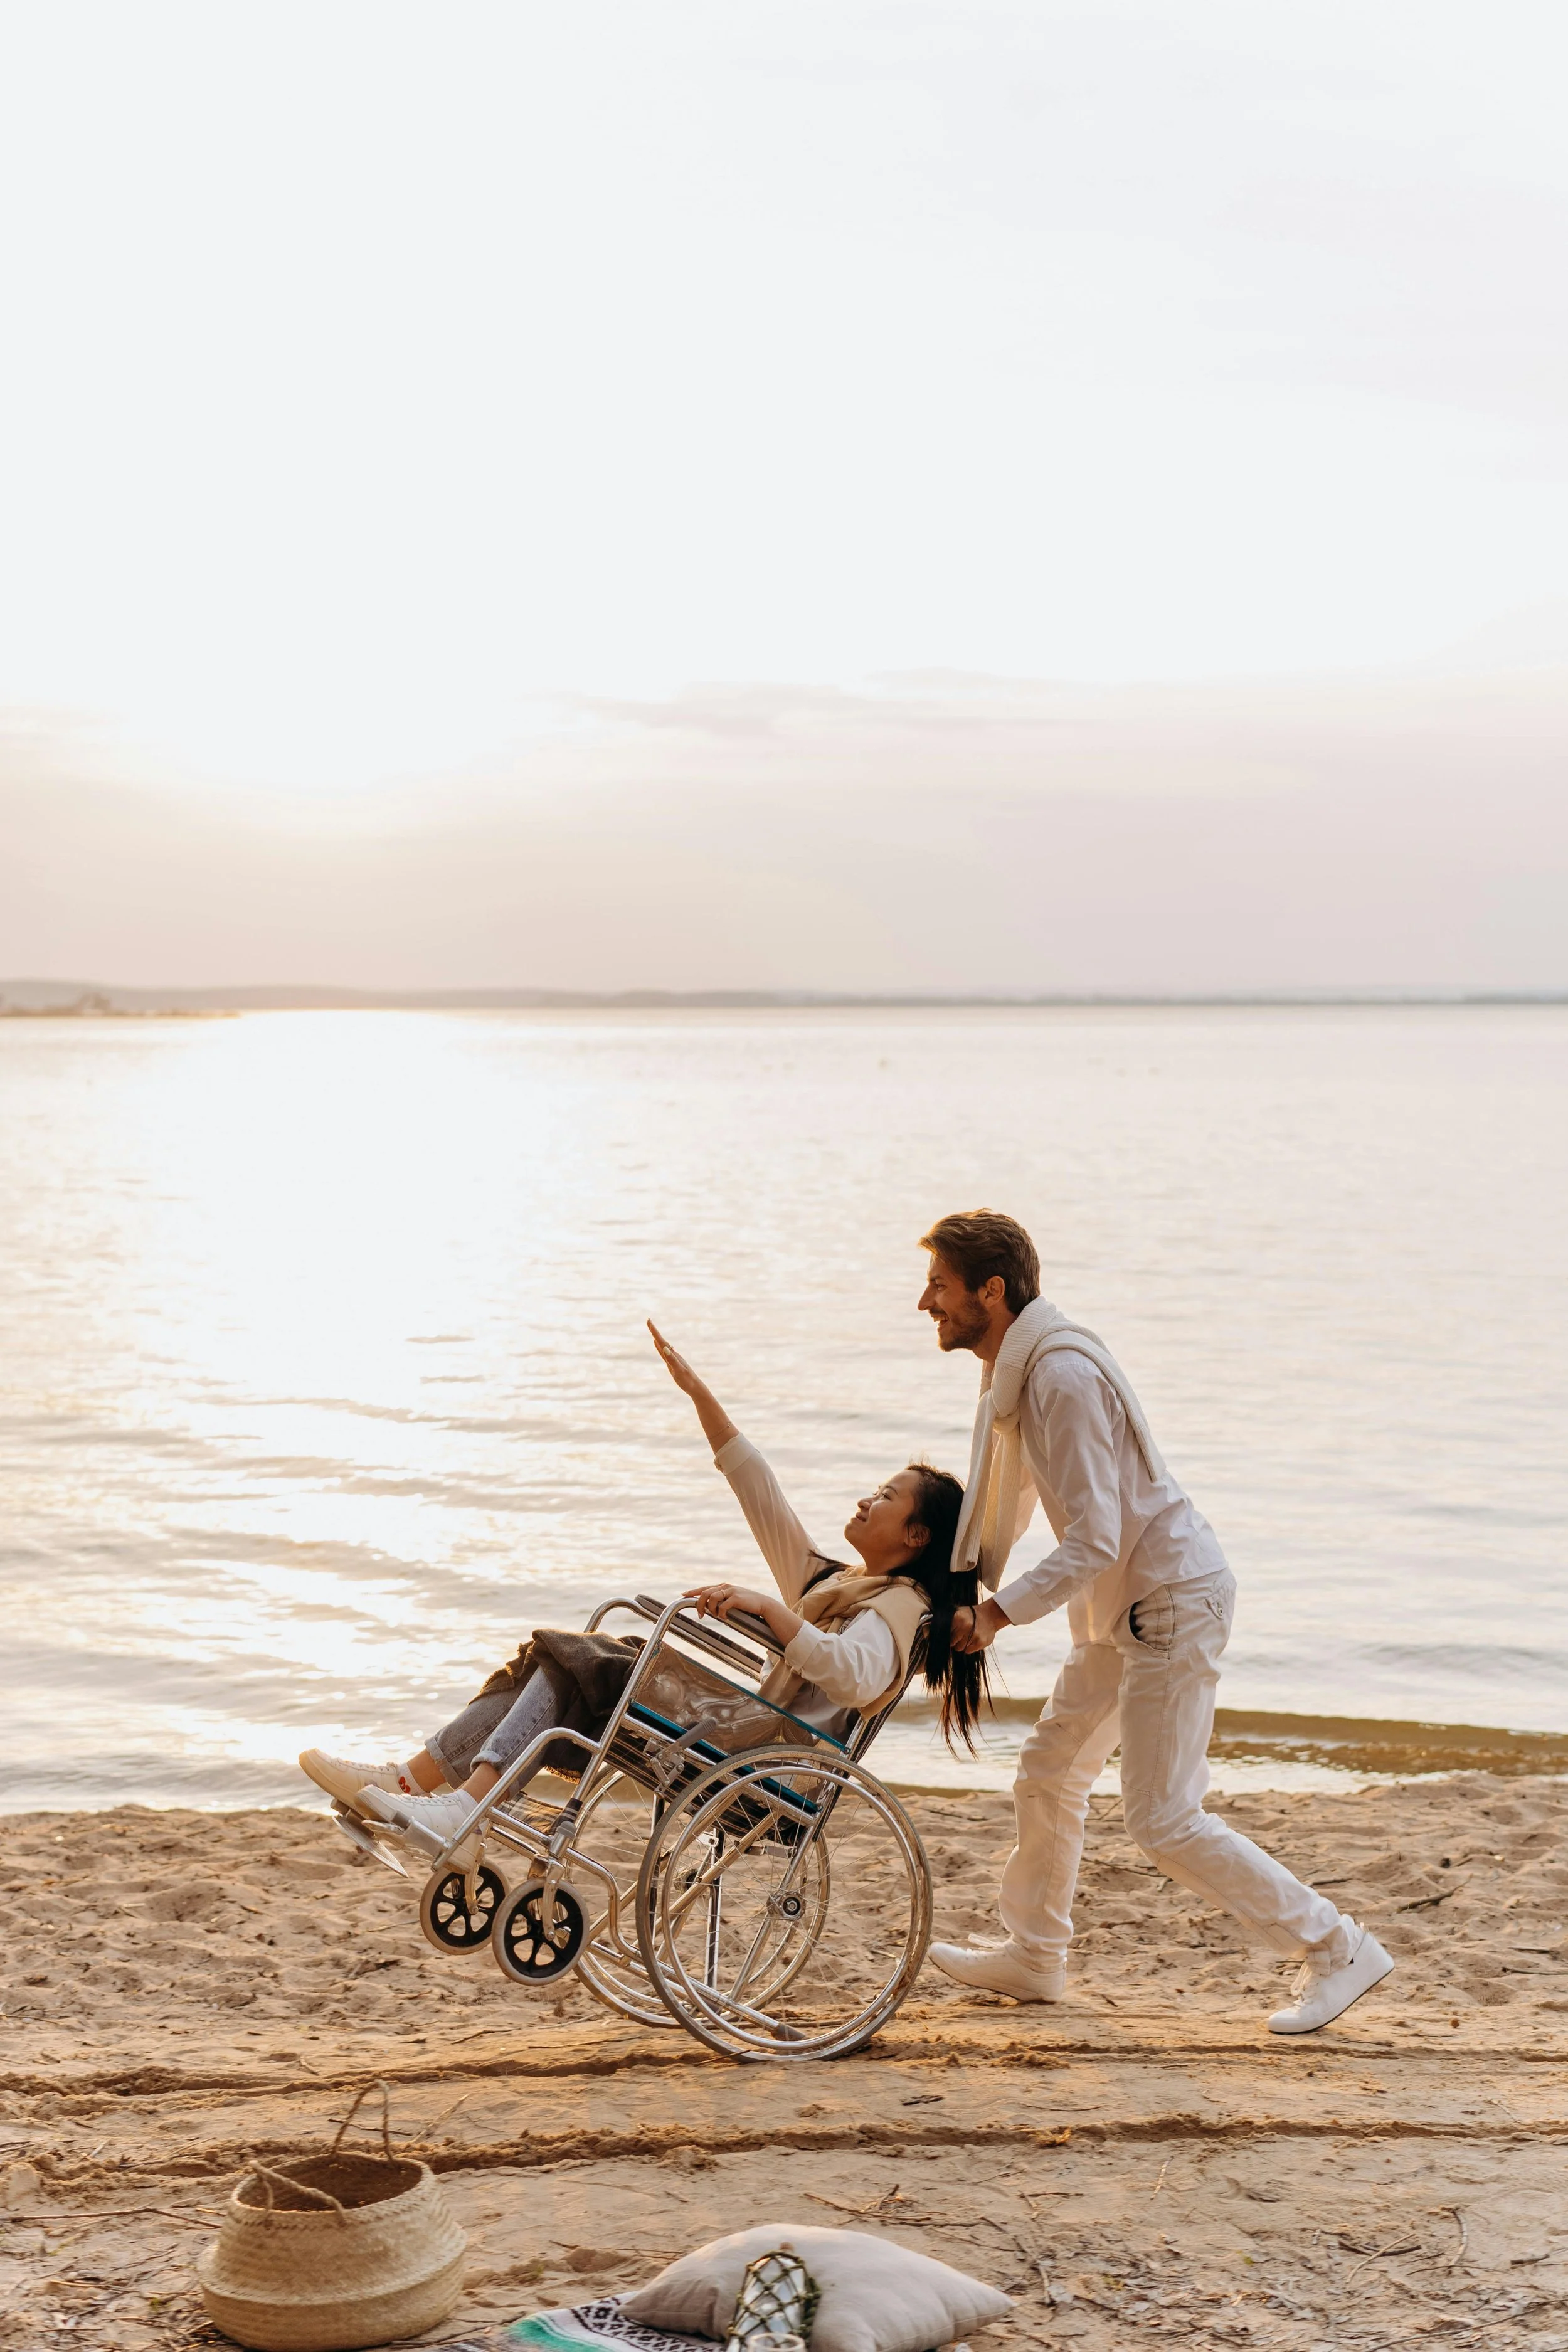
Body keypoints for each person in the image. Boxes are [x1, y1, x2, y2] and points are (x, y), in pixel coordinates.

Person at [918, 1208, 1393, 2037]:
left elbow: (1096, 1533)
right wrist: (957, 1580)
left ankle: (1338, 1945)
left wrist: (995, 1613)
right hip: (1123, 1610)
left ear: (990, 1291)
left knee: (1164, 1817)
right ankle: (1035, 1956)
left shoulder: (1057, 1376)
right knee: (1049, 1771)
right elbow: (1024, 1499)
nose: (926, 1301)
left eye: (940, 1285)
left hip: (1170, 1601)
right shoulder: (1021, 1374)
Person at [299, 1322, 987, 1850]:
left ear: (917, 1535)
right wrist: (697, 1393)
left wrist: (768, 1608)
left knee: (592, 1657)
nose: (867, 1501)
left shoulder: (898, 1608)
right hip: (735, 1738)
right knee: (566, 1656)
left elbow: (856, 1679)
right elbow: (757, 1490)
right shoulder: (837, 1584)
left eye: (885, 1496)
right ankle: (415, 1784)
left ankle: (463, 1805)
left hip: (762, 1766)